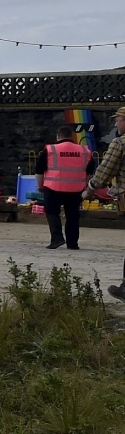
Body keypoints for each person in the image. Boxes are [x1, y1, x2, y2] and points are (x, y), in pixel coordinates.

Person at [86, 106, 125, 298]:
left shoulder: (120, 143)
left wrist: (91, 188)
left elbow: (105, 170)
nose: (115, 123)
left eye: (118, 119)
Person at [39, 124, 94, 251]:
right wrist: (87, 188)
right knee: (73, 216)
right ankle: (72, 243)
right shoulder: (85, 151)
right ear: (72, 136)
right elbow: (89, 172)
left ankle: (57, 239)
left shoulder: (50, 149)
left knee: (52, 213)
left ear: (58, 136)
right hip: (76, 189)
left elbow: (39, 169)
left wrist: (40, 186)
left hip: (53, 188)